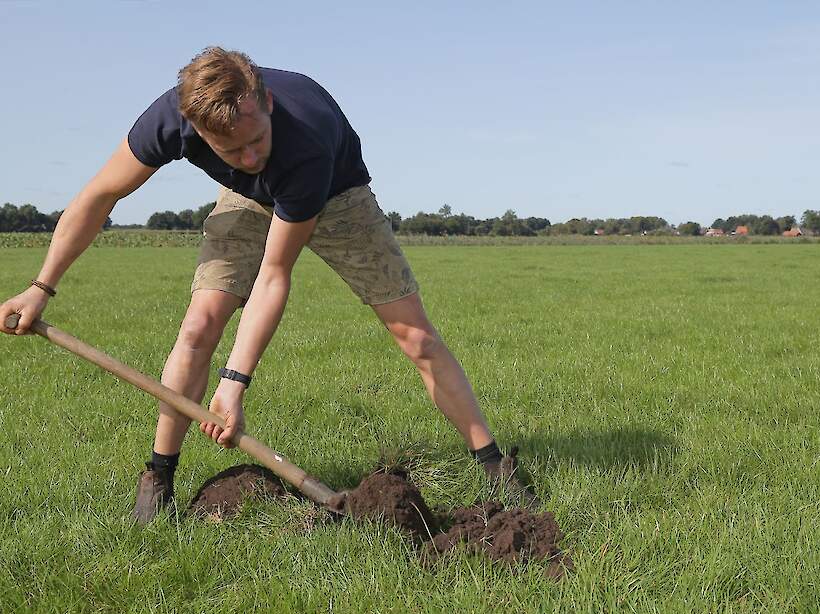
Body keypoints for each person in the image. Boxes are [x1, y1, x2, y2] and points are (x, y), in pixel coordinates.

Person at [0, 47, 535, 523]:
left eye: (256, 141)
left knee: (415, 336)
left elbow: (275, 274)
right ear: (196, 129)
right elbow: (98, 197)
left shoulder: (305, 143)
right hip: (245, 201)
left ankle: (494, 467)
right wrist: (40, 287)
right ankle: (158, 476)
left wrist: (234, 383)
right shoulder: (170, 119)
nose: (251, 158)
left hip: (336, 196)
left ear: (268, 104)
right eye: (232, 151)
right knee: (199, 325)